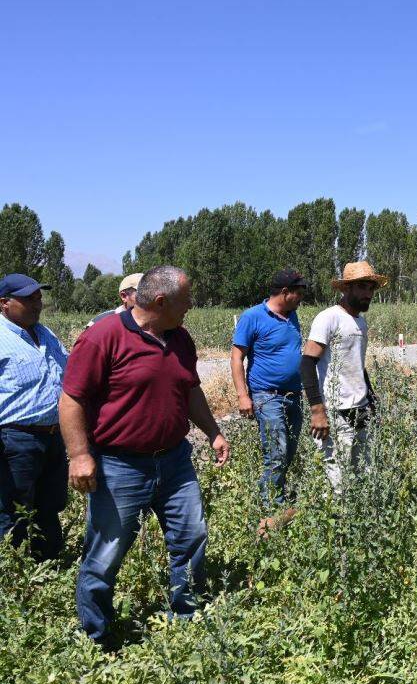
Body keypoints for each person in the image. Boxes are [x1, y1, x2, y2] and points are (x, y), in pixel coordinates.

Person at [61, 265, 230, 647]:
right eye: (186, 299)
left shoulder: (181, 339)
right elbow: (71, 398)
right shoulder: (103, 337)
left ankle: (186, 617)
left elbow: (190, 391)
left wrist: (214, 432)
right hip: (119, 466)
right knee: (105, 553)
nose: (190, 306)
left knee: (191, 536)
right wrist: (79, 455)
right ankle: (97, 637)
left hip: (174, 461)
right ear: (160, 301)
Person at [0, 274, 69, 561]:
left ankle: (49, 567)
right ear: (4, 303)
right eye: (28, 298)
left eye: (39, 297)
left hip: (55, 436)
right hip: (15, 439)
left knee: (50, 507)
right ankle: (12, 574)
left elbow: (68, 373)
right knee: (13, 510)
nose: (37, 303)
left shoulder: (47, 335)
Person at [300, 261, 386, 492]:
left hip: (361, 408)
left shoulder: (360, 321)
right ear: (346, 288)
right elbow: (307, 363)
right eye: (362, 287)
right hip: (336, 412)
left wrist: (372, 399)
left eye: (371, 288)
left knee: (364, 475)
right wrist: (317, 410)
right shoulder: (329, 318)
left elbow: (358, 364)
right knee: (338, 483)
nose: (368, 294)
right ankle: (337, 525)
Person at [231, 269, 308, 508]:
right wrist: (243, 396)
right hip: (267, 396)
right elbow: (236, 358)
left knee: (289, 450)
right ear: (285, 292)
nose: (301, 298)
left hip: (294, 395)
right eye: (298, 293)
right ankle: (271, 508)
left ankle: (276, 494)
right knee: (276, 451)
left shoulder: (292, 315)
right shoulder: (252, 317)